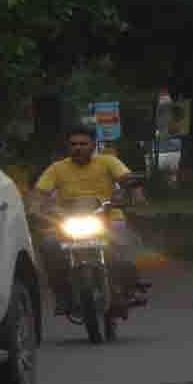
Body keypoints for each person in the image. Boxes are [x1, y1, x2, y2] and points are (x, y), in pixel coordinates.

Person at [31, 125, 149, 315]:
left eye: (83, 143)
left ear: (93, 145)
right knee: (49, 245)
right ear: (67, 147)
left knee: (122, 242)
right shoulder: (56, 169)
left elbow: (127, 179)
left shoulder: (108, 162)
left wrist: (136, 194)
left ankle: (130, 286)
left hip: (108, 217)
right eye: (73, 144)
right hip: (68, 221)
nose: (78, 147)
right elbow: (39, 194)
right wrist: (37, 208)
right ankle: (62, 295)